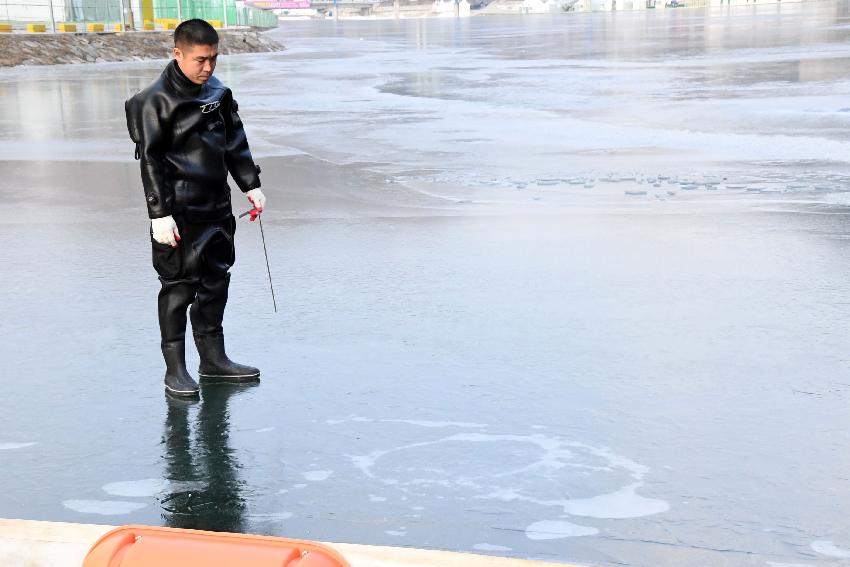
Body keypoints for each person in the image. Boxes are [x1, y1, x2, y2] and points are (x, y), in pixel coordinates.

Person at [125, 19, 266, 398]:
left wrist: (250, 185)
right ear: (177, 54)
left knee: (216, 281)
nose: (208, 68)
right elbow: (150, 161)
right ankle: (175, 370)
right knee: (178, 288)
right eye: (200, 60)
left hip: (216, 207)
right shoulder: (152, 101)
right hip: (178, 212)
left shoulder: (218, 93)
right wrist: (159, 214)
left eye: (214, 59)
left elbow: (234, 142)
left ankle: (214, 360)